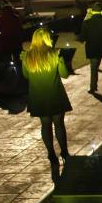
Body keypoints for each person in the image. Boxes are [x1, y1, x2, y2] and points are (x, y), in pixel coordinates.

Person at [21, 28, 71, 182]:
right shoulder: (54, 54)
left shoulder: (28, 56)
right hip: (55, 95)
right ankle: (64, 151)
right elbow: (64, 74)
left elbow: (26, 75)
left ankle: (51, 153)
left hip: (38, 96)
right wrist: (62, 61)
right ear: (47, 38)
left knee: (45, 125)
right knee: (59, 124)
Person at [79, 2, 102, 93]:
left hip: (93, 48)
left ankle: (93, 87)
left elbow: (82, 38)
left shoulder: (87, 22)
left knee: (94, 68)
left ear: (92, 11)